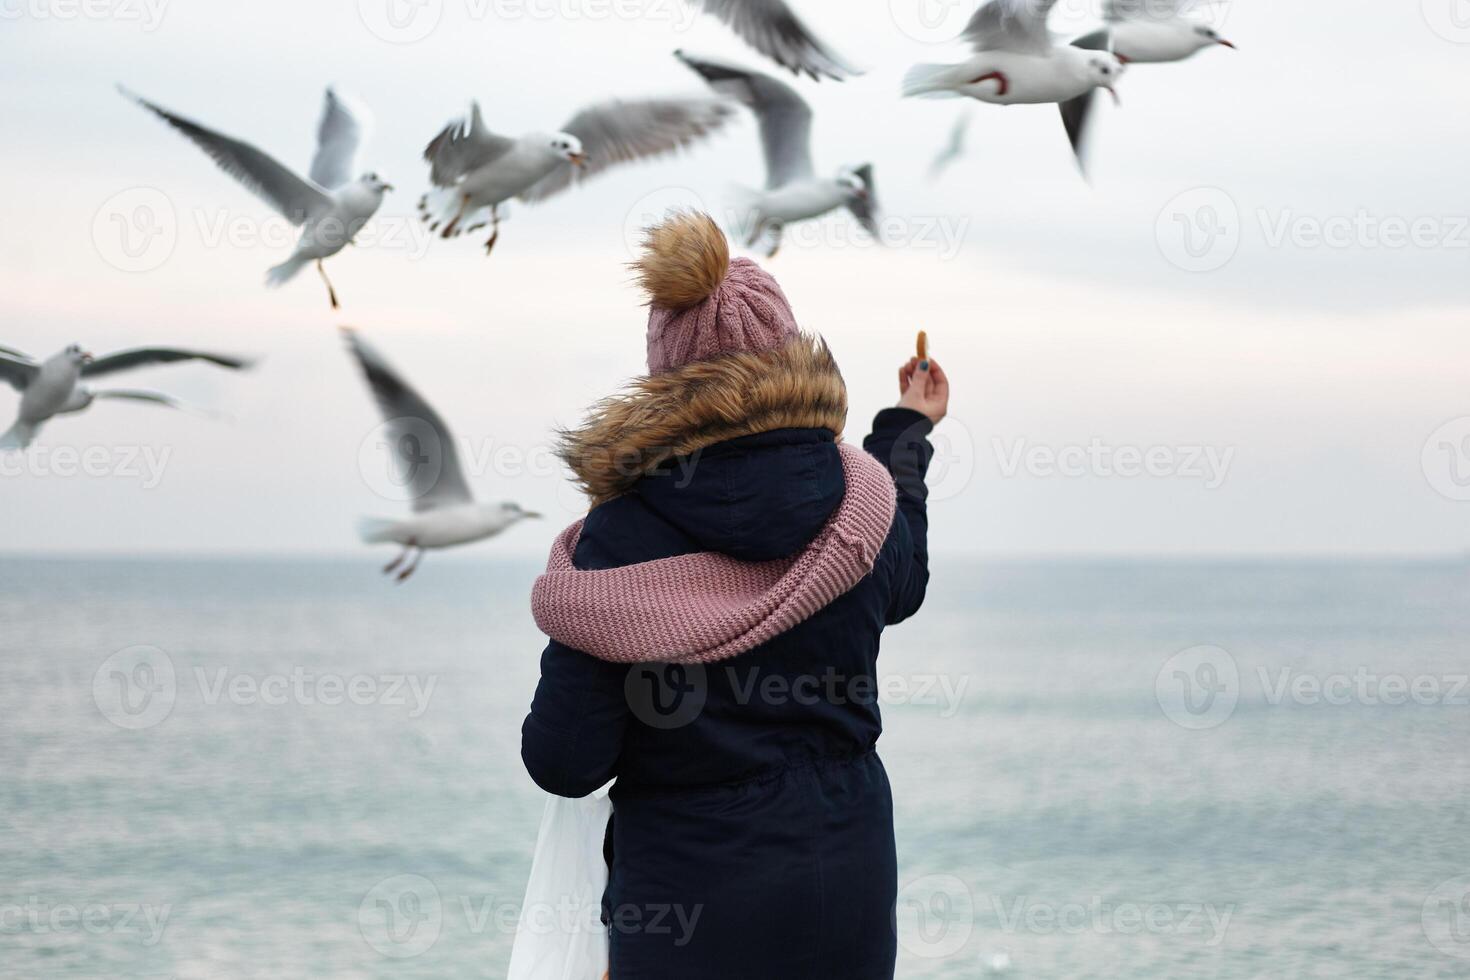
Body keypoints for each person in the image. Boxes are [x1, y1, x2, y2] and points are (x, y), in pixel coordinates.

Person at [522, 211, 949, 979]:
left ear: (664, 372)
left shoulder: (615, 542)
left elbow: (565, 760)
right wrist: (906, 431)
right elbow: (904, 578)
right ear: (788, 352)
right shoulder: (863, 504)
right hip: (844, 884)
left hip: (688, 908)